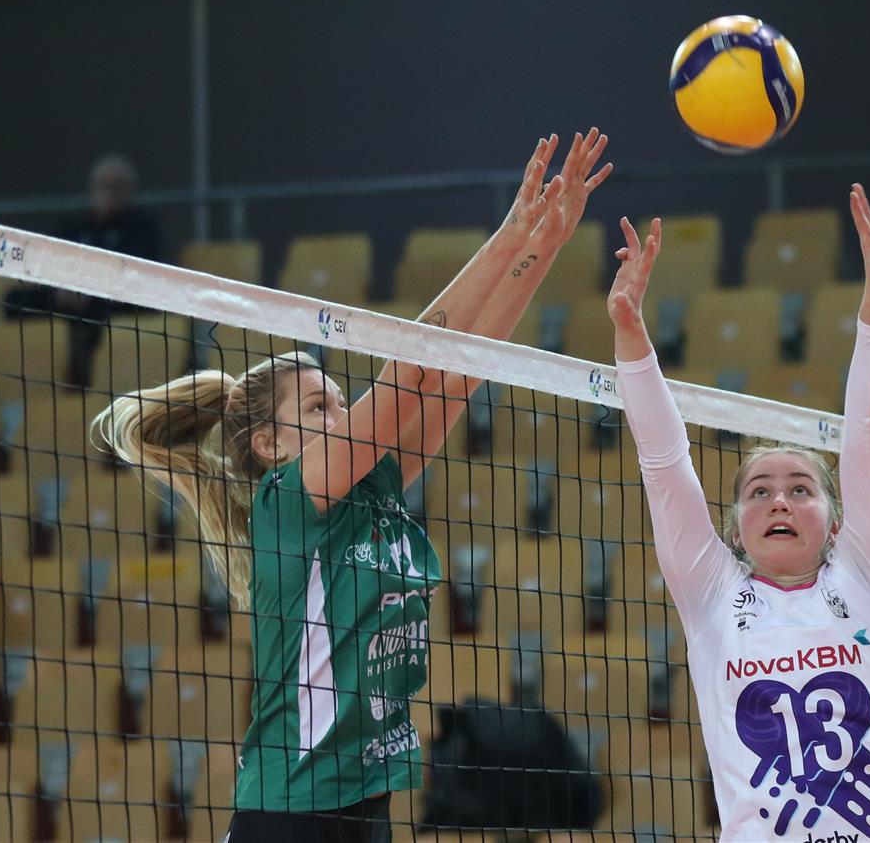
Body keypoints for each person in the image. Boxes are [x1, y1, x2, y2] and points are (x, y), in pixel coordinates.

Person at [91, 130, 612, 842]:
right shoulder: (289, 497)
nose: (340, 415)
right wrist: (509, 233)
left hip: (366, 808)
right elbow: (413, 365)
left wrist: (544, 245)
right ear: (270, 445)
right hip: (290, 815)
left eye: (340, 402)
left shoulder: (377, 486)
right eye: (318, 408)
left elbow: (462, 370)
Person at [606, 184, 870, 841]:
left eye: (800, 489)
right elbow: (664, 462)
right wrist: (630, 332)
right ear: (734, 528)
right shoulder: (710, 592)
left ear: (835, 523)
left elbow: (867, 434)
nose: (779, 499)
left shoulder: (868, 574)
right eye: (759, 491)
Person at [4, 154, 164, 387]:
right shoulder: (72, 227)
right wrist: (59, 295)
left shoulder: (143, 229)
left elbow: (141, 283)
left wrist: (90, 294)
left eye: (118, 186)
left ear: (129, 191)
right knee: (12, 300)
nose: (110, 193)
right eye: (104, 186)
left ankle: (82, 380)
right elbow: (50, 269)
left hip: (112, 309)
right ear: (93, 189)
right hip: (66, 307)